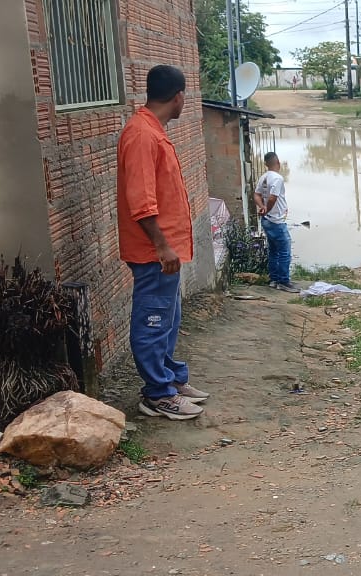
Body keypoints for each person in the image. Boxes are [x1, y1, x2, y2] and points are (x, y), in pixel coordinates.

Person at [117, 65, 207, 421]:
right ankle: (157, 394)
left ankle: (171, 379)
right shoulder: (142, 134)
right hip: (154, 252)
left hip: (165, 252)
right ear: (179, 97)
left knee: (168, 318)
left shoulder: (153, 131)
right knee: (152, 321)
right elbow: (141, 200)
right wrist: (162, 246)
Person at [255, 152, 300, 293]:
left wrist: (262, 208)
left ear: (266, 164)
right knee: (285, 251)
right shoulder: (278, 178)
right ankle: (283, 281)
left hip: (266, 220)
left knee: (273, 250)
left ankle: (274, 279)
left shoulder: (263, 177)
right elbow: (273, 198)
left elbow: (256, 195)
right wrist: (267, 209)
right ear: (278, 163)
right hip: (276, 221)